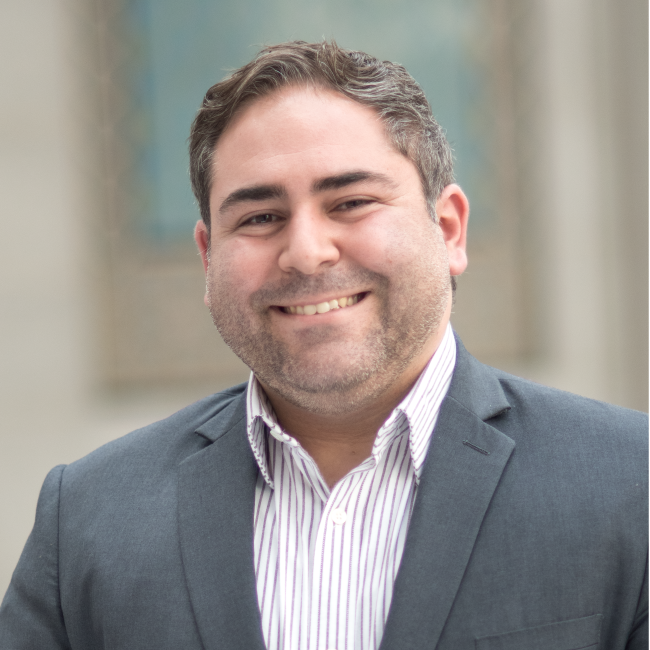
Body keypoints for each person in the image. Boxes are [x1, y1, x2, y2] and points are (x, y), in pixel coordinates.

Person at [0, 40, 647, 650]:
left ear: (448, 229)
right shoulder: (87, 519)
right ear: (207, 257)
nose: (307, 252)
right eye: (259, 218)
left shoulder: (630, 486)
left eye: (352, 201)